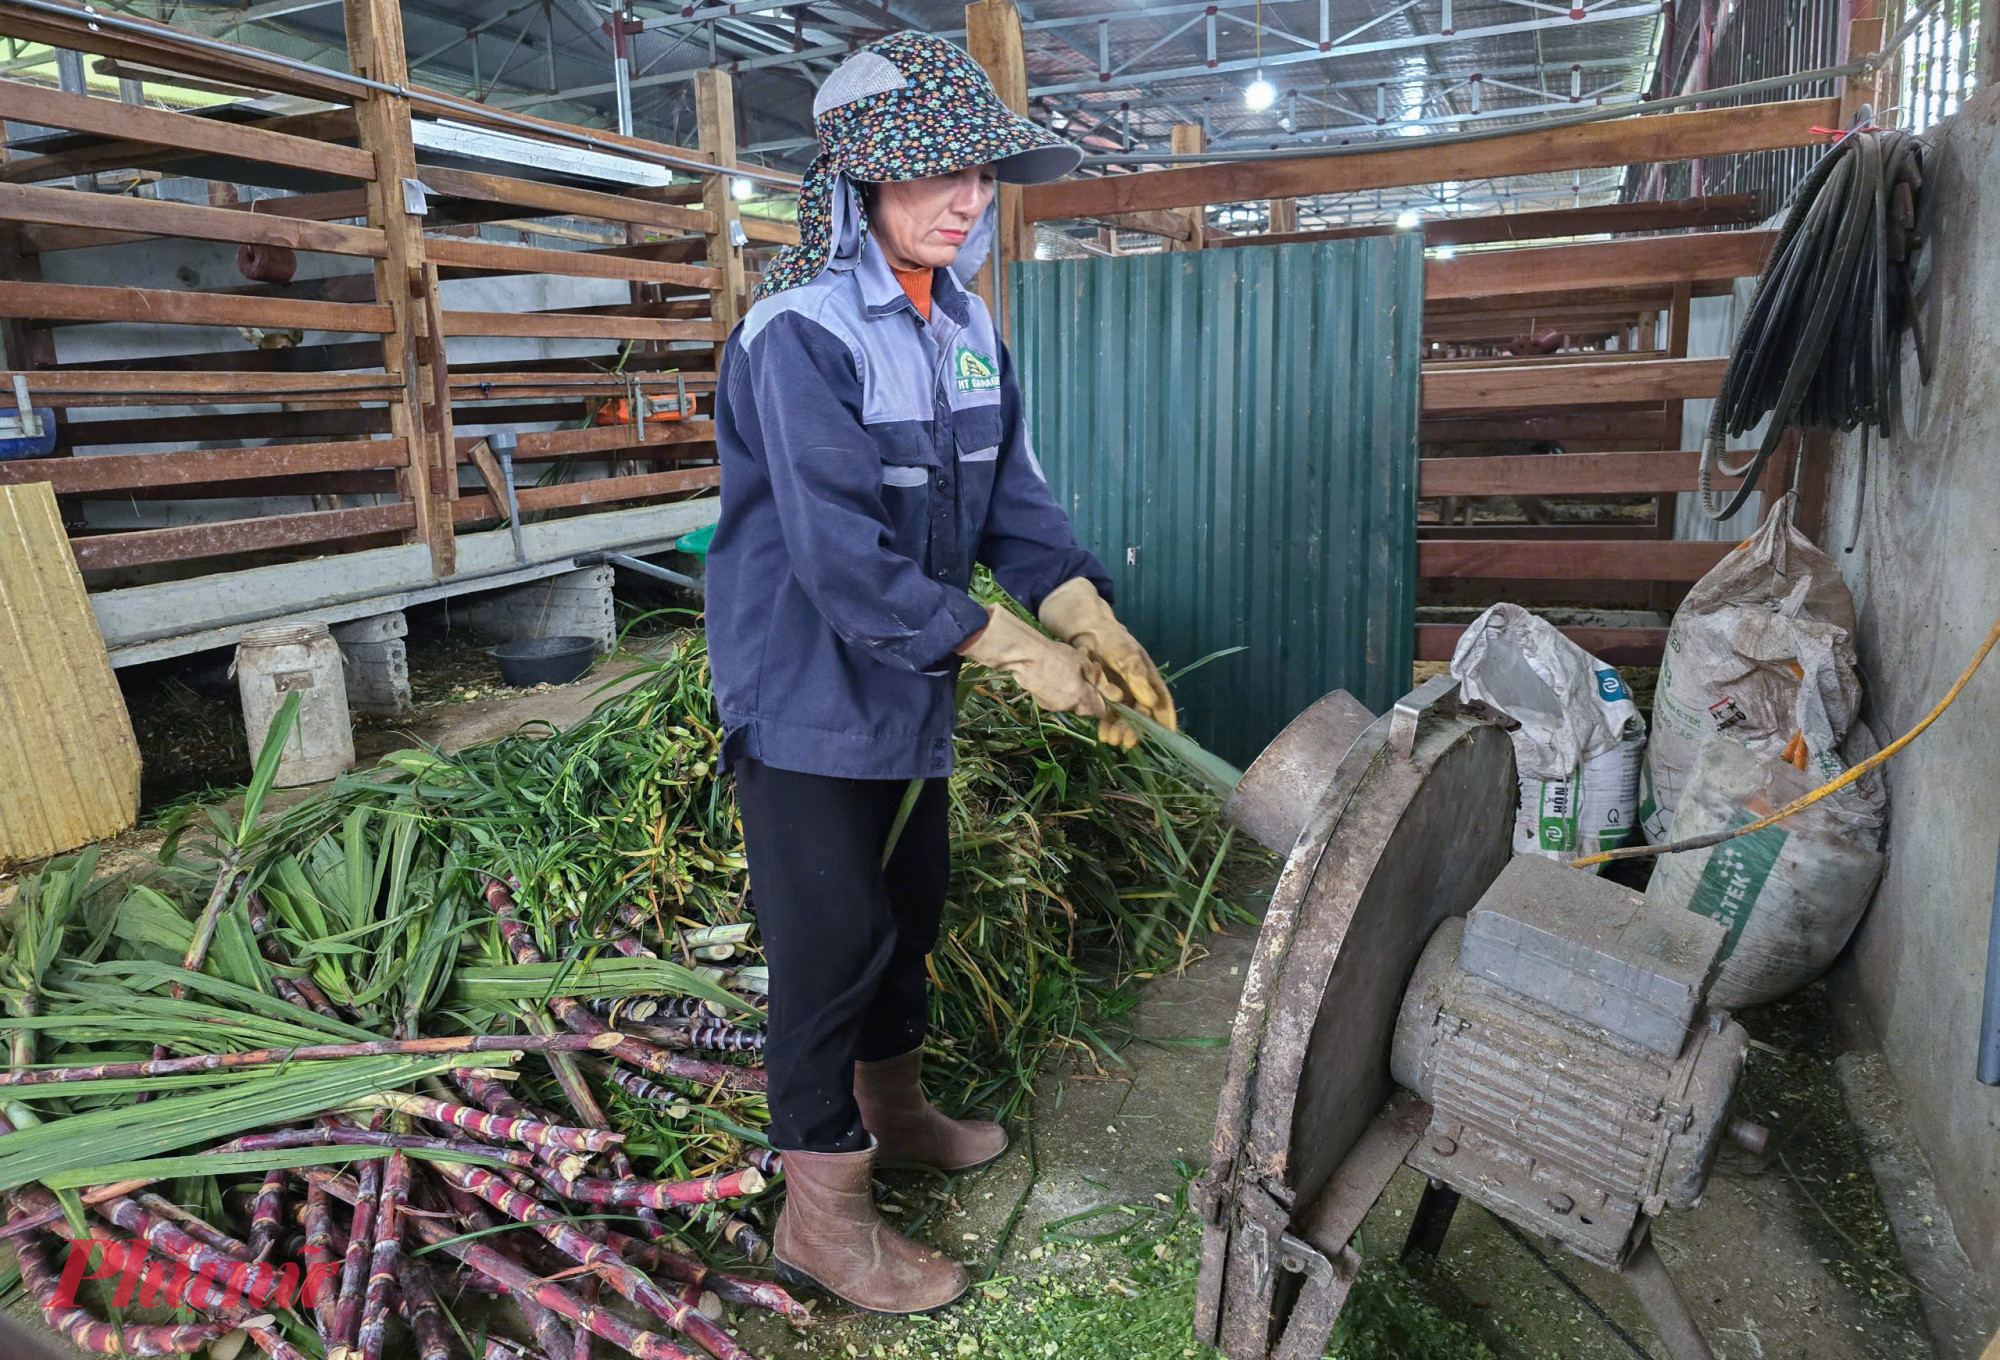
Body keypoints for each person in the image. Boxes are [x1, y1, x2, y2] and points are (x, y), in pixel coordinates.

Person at [705, 31, 1177, 1316]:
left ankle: (893, 1109)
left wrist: (1078, 604)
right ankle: (821, 1213)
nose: (970, 201)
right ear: (860, 178)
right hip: (804, 684)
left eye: (981, 175)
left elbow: (1008, 505)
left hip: (912, 678)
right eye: (940, 175)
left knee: (909, 907)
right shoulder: (796, 335)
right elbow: (841, 563)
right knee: (830, 940)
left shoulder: (963, 325)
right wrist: (1016, 650)